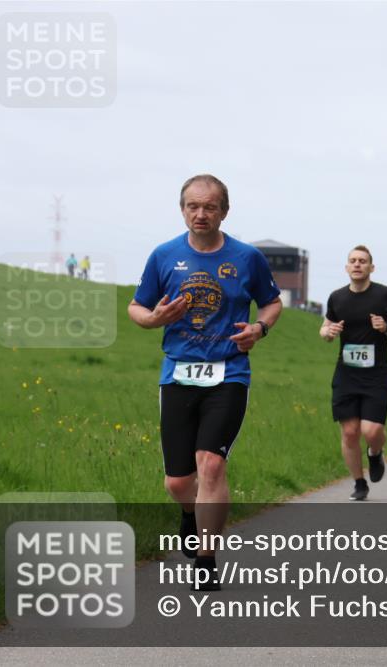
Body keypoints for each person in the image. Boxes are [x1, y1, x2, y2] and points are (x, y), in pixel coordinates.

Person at [128, 174, 282, 591]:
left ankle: (206, 560)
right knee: (178, 482)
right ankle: (188, 513)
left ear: (224, 211)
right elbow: (136, 307)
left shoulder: (247, 257)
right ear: (182, 210)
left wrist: (259, 329)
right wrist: (153, 319)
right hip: (178, 374)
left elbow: (271, 302)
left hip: (228, 373)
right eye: (193, 206)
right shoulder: (164, 255)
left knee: (211, 465)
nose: (201, 214)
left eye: (210, 207)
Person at [321, 246, 387, 501]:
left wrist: (386, 327)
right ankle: (359, 483)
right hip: (346, 374)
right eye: (353, 260)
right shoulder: (337, 297)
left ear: (371, 267)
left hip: (376, 375)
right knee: (350, 432)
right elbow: (325, 328)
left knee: (372, 431)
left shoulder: (385, 295)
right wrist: (328, 333)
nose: (357, 264)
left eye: (362, 261)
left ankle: (375, 453)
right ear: (346, 267)